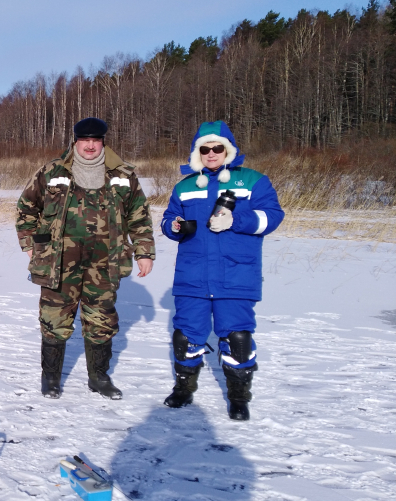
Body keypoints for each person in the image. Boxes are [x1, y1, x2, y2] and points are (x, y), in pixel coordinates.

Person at [16, 117, 155, 400]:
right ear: (75, 141)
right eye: (84, 140)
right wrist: (31, 244)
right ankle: (51, 379)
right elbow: (26, 208)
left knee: (101, 320)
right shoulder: (52, 172)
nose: (90, 145)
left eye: (95, 140)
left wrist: (144, 252)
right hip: (58, 262)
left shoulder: (123, 175)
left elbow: (139, 216)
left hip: (105, 264)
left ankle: (99, 378)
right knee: (54, 319)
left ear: (103, 141)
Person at [160, 121, 284, 421]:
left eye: (218, 148)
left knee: (237, 337)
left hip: (236, 274)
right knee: (185, 336)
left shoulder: (253, 181)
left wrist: (236, 220)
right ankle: (184, 389)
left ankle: (239, 397)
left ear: (228, 150)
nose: (211, 153)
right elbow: (168, 219)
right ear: (197, 152)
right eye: (205, 149)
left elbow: (273, 216)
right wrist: (174, 227)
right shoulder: (186, 186)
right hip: (193, 275)